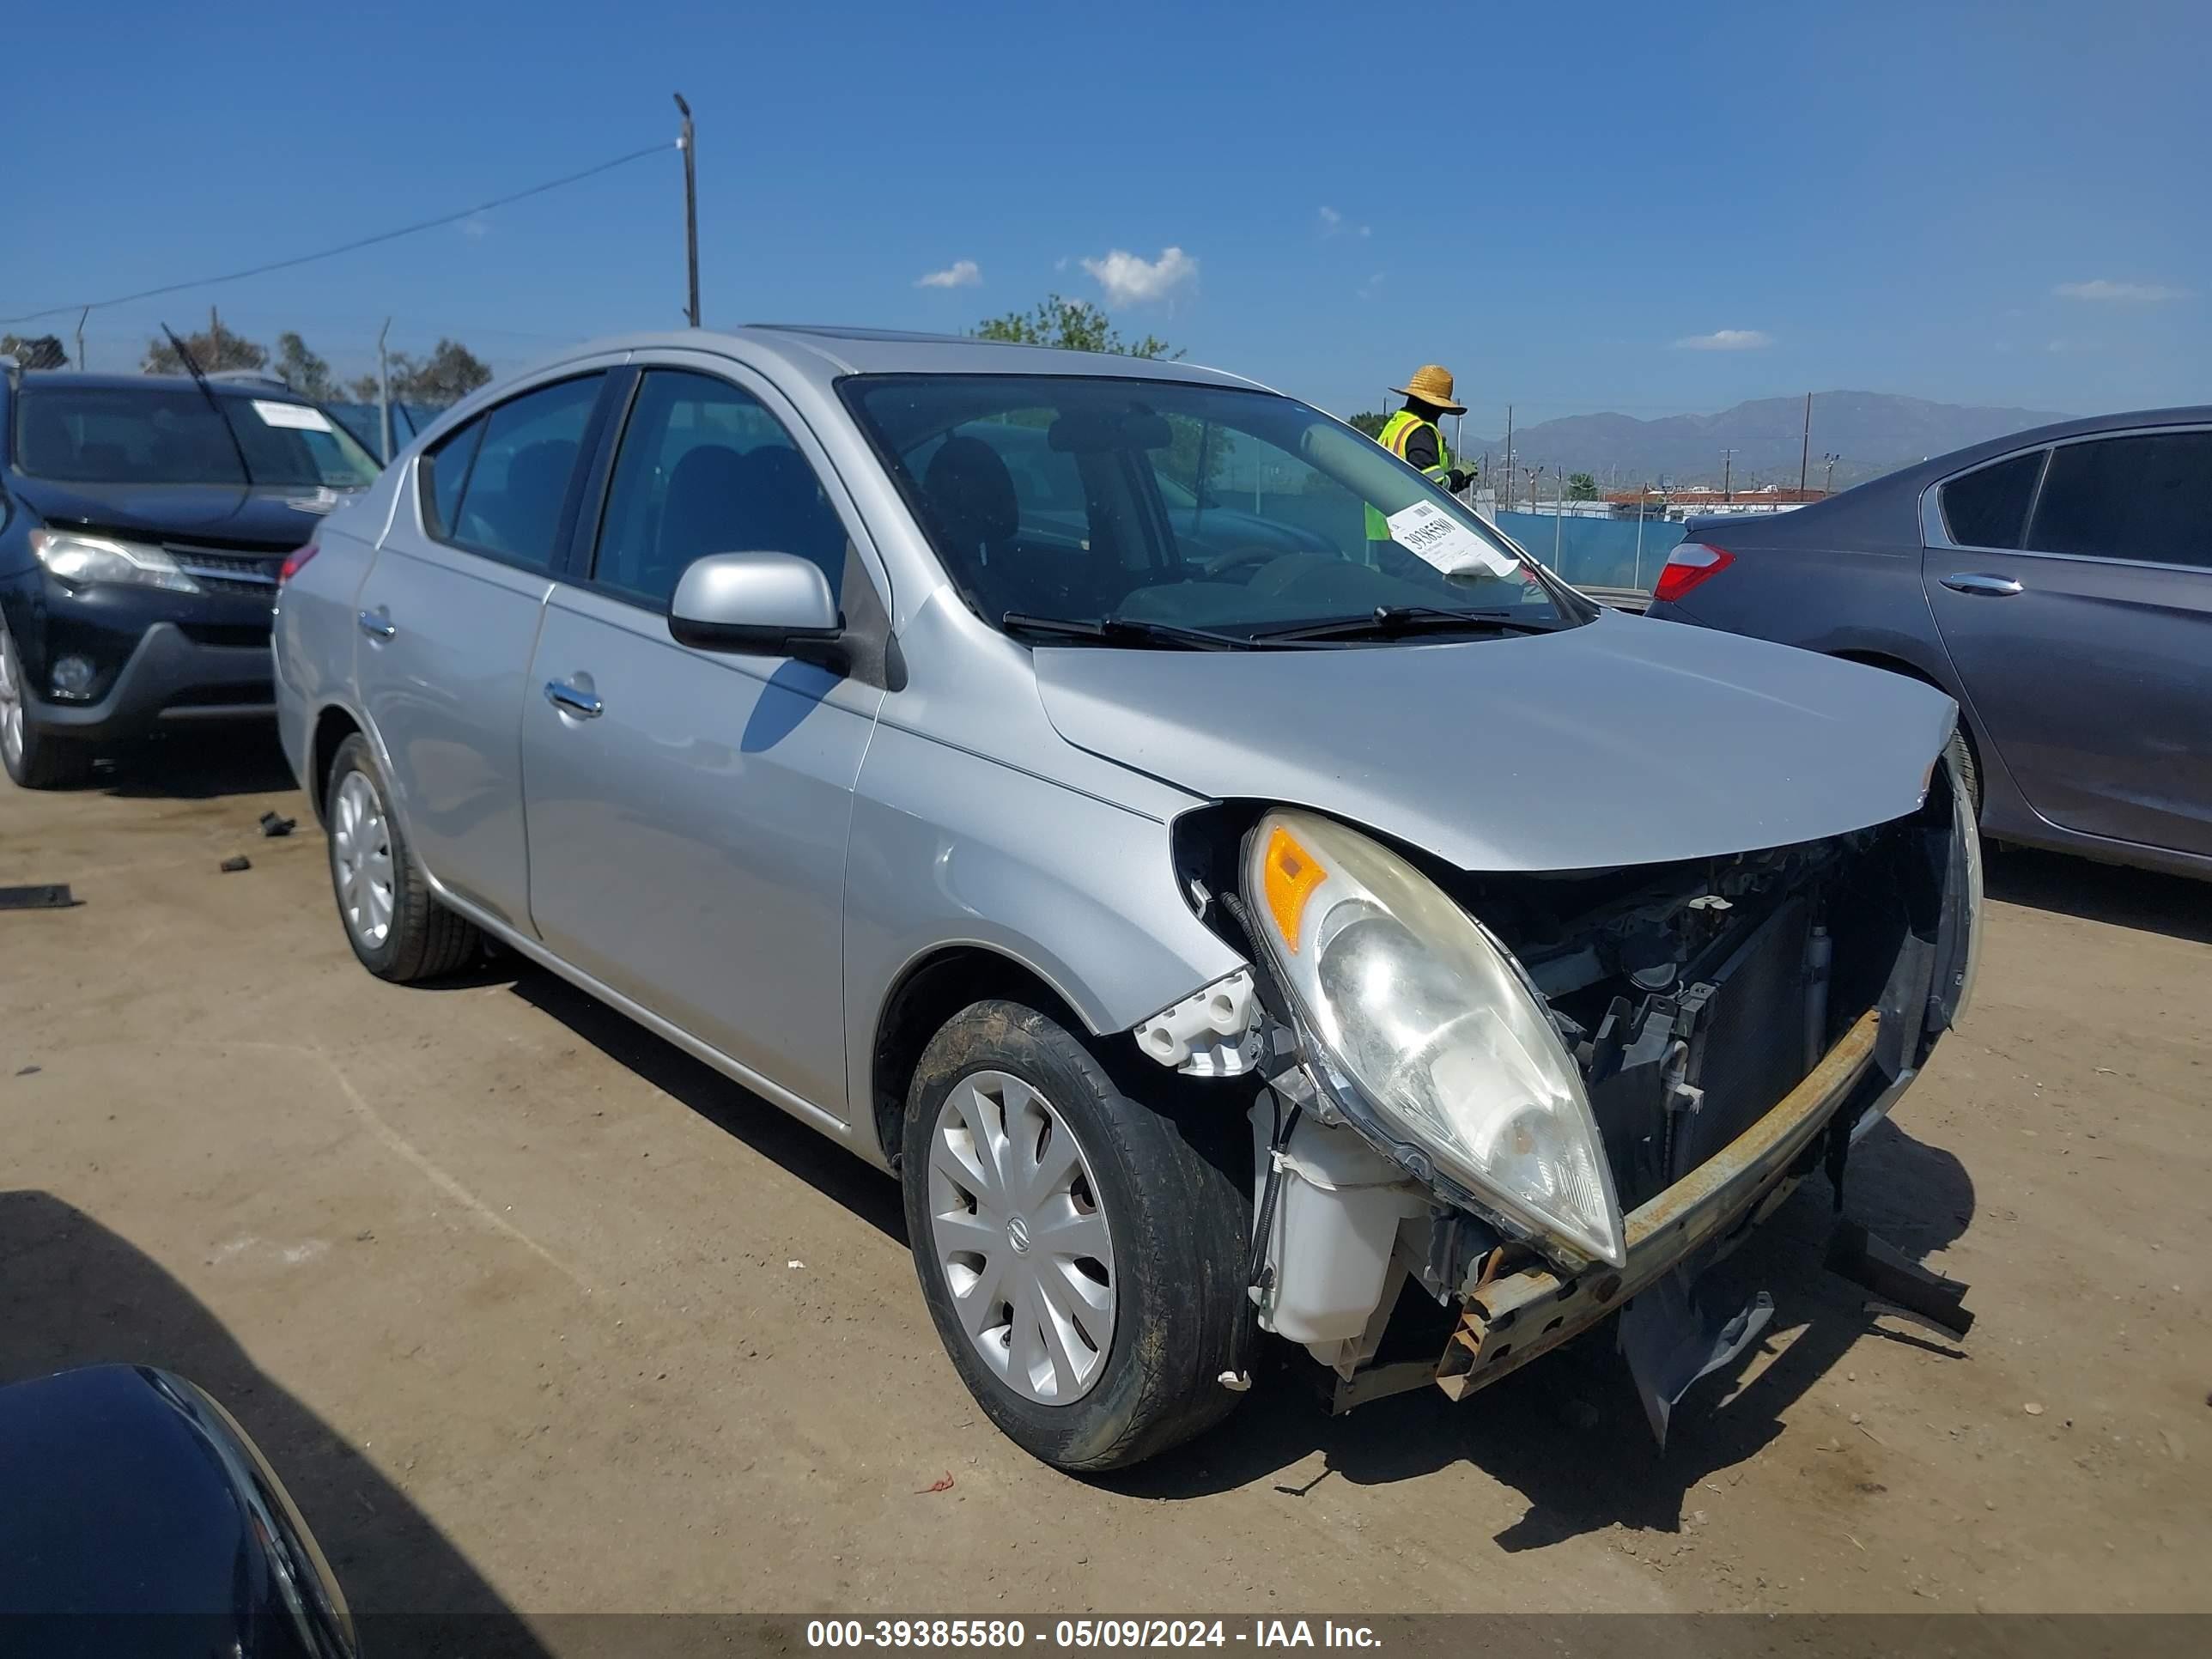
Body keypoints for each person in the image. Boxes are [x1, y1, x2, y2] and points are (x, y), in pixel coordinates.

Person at [1365, 364, 1476, 559]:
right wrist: (1460, 474)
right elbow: (1431, 487)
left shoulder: (1397, 425)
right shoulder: (1420, 432)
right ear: (1435, 405)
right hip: (1410, 537)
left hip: (1383, 531)